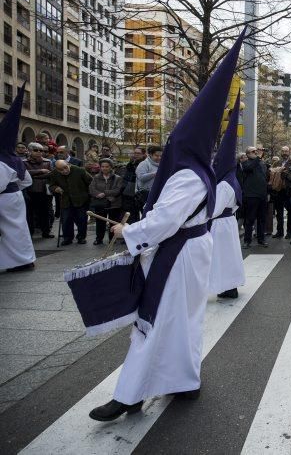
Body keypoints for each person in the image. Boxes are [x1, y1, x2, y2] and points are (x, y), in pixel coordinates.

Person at [88, 30, 244, 422]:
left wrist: (128, 233)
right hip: (193, 253)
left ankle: (130, 395)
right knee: (183, 321)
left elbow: (164, 221)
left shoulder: (187, 175)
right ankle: (183, 380)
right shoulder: (200, 172)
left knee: (152, 322)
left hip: (178, 256)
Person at [209, 96, 246, 299]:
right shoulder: (230, 180)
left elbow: (213, 209)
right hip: (227, 224)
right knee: (228, 258)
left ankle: (226, 286)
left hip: (220, 225)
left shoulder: (224, 184)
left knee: (222, 258)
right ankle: (228, 287)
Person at [0, 84, 36, 272]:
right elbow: (27, 181)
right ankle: (24, 259)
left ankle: (18, 261)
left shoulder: (1, 160)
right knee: (18, 229)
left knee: (11, 231)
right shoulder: (15, 158)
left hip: (4, 198)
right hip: (14, 198)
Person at [48, 160, 93, 245]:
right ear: (57, 169)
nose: (64, 171)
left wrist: (89, 195)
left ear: (68, 164)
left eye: (65, 167)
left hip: (81, 200)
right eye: (61, 169)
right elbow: (51, 185)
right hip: (65, 200)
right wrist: (55, 188)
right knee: (66, 220)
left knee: (82, 220)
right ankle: (67, 238)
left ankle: (81, 237)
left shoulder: (80, 170)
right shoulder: (54, 173)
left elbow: (91, 182)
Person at [89, 158, 124, 245]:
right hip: (100, 203)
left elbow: (118, 190)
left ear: (111, 167)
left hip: (114, 204)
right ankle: (99, 239)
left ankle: (112, 239)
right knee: (100, 222)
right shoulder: (96, 177)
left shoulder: (117, 178)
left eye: (107, 166)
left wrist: (104, 193)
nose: (104, 168)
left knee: (113, 222)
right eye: (102, 166)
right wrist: (97, 194)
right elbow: (92, 188)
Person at [240, 146, 269, 248]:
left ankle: (261, 239)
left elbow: (265, 178)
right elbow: (249, 168)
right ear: (248, 154)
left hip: (262, 195)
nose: (256, 152)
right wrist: (258, 157)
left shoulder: (261, 163)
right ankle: (247, 241)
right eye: (253, 151)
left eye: (256, 151)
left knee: (262, 219)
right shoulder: (245, 163)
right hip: (251, 195)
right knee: (250, 219)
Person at [24, 143, 54, 238]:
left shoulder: (47, 162)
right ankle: (30, 233)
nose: (39, 152)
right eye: (36, 150)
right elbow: (24, 174)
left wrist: (35, 176)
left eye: (41, 150)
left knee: (45, 213)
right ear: (29, 151)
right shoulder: (24, 162)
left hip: (44, 191)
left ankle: (46, 232)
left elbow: (50, 175)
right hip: (30, 191)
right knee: (30, 214)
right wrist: (40, 171)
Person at [121, 146, 145, 223]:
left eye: (138, 153)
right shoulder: (131, 164)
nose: (136, 155)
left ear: (143, 154)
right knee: (132, 215)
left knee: (144, 214)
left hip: (141, 191)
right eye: (135, 153)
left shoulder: (145, 164)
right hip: (130, 192)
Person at [135, 146, 161, 215]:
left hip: (157, 194)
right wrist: (155, 174)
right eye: (156, 155)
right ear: (150, 155)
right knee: (146, 215)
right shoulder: (144, 164)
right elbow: (141, 177)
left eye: (160, 156)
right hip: (145, 195)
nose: (159, 158)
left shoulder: (162, 165)